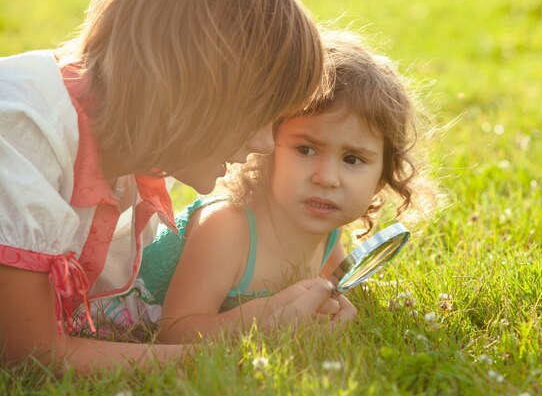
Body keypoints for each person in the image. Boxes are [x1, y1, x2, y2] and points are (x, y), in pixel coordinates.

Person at [0, 0, 350, 373]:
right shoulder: (24, 131)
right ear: (189, 88)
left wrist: (271, 310)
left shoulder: (141, 157)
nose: (267, 143)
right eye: (260, 113)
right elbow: (30, 354)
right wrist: (244, 343)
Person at [97, 31, 437, 343]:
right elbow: (174, 332)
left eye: (353, 159)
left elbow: (331, 298)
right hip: (101, 322)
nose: (327, 177)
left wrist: (337, 310)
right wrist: (271, 316)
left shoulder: (328, 233)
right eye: (306, 149)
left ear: (383, 174)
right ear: (266, 150)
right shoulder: (228, 227)